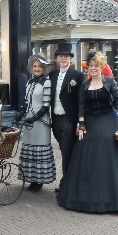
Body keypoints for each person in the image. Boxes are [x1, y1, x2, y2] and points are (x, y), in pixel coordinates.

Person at [57, 51, 118, 213]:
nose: (92, 69)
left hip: (108, 122)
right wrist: (81, 124)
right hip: (90, 123)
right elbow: (82, 106)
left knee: (110, 155)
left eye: (95, 66)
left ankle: (115, 197)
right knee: (87, 156)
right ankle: (86, 196)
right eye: (90, 66)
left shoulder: (109, 82)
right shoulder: (85, 84)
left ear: (101, 66)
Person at [14, 52, 56, 192]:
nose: (37, 68)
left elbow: (46, 105)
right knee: (29, 148)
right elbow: (26, 102)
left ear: (44, 68)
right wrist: (21, 114)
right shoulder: (29, 82)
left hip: (40, 121)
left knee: (39, 149)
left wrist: (35, 118)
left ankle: (40, 181)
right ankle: (31, 179)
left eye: (39, 66)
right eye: (35, 66)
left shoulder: (47, 82)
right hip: (29, 120)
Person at [49, 42, 84, 193]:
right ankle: (69, 181)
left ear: (70, 58)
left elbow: (81, 100)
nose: (63, 58)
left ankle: (67, 184)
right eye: (61, 56)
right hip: (55, 118)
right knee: (63, 149)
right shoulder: (52, 75)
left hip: (69, 118)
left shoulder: (77, 75)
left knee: (68, 151)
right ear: (57, 58)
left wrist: (79, 123)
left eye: (66, 56)